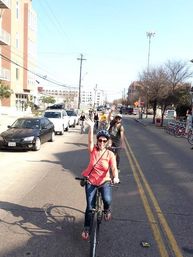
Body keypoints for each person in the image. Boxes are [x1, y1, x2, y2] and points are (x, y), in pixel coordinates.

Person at [81, 119, 119, 240]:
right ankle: (87, 228)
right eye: (100, 140)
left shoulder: (110, 154)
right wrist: (91, 127)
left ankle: (106, 210)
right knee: (90, 206)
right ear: (98, 141)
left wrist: (116, 177)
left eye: (104, 141)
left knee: (107, 199)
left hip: (104, 181)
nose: (102, 142)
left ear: (107, 142)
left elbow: (113, 167)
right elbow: (90, 140)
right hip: (91, 181)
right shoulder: (93, 151)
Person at [108, 105, 125, 171]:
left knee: (118, 155)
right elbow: (109, 118)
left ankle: (117, 167)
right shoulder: (112, 122)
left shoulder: (121, 127)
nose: (118, 119)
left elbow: (122, 135)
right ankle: (108, 165)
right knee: (109, 153)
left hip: (117, 142)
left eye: (119, 118)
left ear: (121, 120)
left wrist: (123, 144)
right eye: (117, 118)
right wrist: (111, 111)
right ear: (115, 118)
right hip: (110, 140)